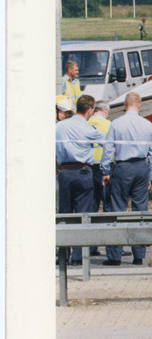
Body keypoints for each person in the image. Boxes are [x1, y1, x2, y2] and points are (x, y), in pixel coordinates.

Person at [100, 91, 152, 266]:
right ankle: (138, 255)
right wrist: (150, 175)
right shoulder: (148, 125)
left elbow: (108, 149)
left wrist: (105, 170)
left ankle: (115, 255)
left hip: (123, 167)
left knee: (117, 210)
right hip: (141, 167)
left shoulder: (116, 124)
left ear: (125, 105)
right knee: (141, 211)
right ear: (139, 106)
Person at [56, 94, 106, 265]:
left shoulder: (59, 127)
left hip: (64, 172)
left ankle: (62, 254)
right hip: (83, 172)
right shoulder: (88, 129)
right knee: (82, 214)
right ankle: (77, 258)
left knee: (64, 214)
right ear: (90, 110)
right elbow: (107, 142)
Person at [88, 100, 112, 213]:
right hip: (106, 166)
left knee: (92, 200)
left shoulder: (86, 122)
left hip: (88, 166)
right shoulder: (109, 124)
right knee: (108, 200)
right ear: (105, 111)